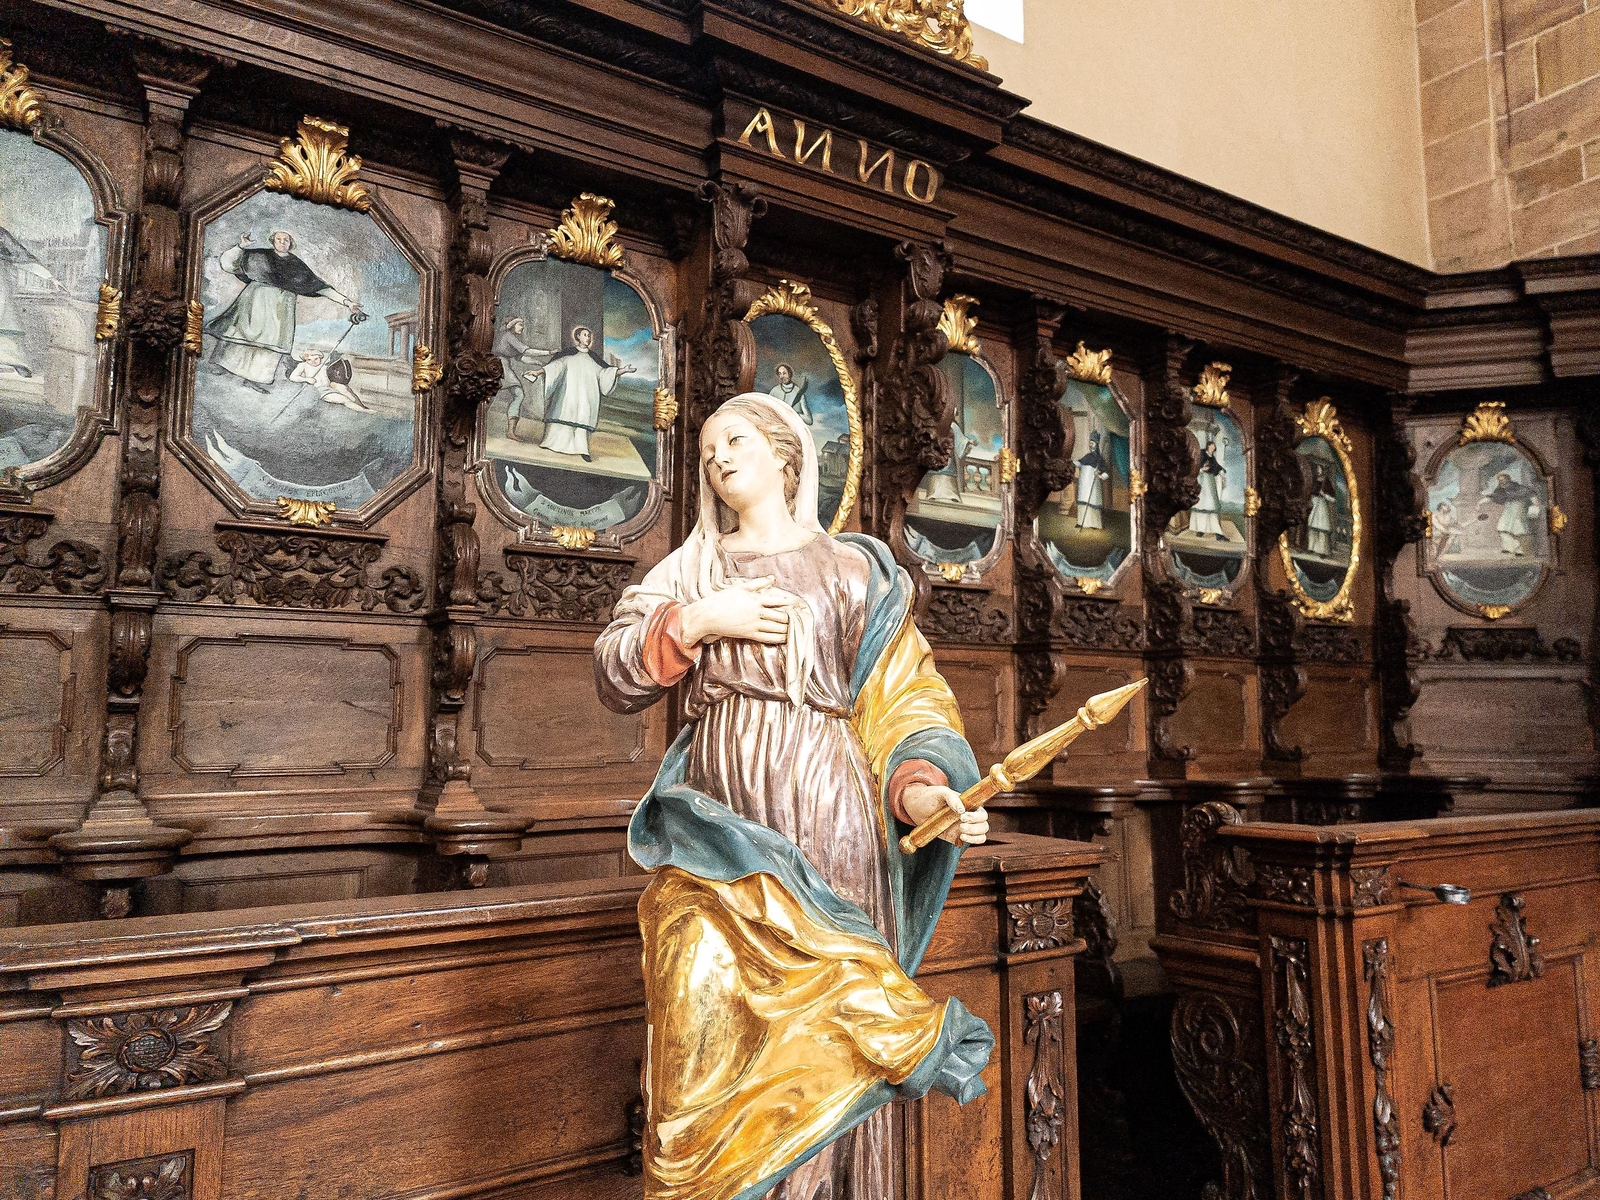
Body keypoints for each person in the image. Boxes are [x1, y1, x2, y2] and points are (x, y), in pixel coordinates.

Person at [594, 392, 993, 1200]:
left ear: (786, 456)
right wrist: (698, 622)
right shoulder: (692, 570)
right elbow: (615, 673)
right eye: (708, 449)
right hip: (717, 824)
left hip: (831, 814)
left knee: (835, 1032)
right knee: (700, 1012)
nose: (717, 458)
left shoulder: (853, 569)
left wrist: (922, 793)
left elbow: (908, 700)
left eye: (735, 441)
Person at [207, 231, 362, 394]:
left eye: (286, 240)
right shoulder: (258, 256)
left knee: (272, 343)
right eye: (279, 239)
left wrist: (348, 303)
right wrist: (241, 246)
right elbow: (228, 265)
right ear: (273, 241)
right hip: (254, 302)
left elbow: (320, 287)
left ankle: (255, 379)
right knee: (240, 332)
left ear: (291, 243)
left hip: (281, 310)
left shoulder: (297, 265)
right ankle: (222, 365)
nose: (282, 242)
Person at [529, 325, 633, 461]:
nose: (588, 338)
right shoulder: (568, 354)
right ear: (578, 336)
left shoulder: (593, 358)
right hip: (567, 395)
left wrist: (623, 370)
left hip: (586, 397)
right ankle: (550, 443)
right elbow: (553, 367)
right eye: (585, 335)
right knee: (562, 413)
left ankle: (583, 450)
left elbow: (606, 373)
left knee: (583, 418)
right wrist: (537, 372)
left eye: (589, 336)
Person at [0, 223, 58, 378]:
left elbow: (23, 257)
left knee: (5, 322)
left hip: (1, 287)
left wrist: (49, 277)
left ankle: (15, 361)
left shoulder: (1, 235)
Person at [494, 316, 545, 440]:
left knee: (518, 395)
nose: (522, 327)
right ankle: (510, 432)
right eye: (520, 324)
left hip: (503, 365)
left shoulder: (510, 338)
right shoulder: (508, 336)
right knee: (518, 394)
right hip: (500, 365)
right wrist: (549, 352)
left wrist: (538, 363)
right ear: (512, 325)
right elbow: (527, 351)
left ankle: (511, 431)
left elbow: (522, 357)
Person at [288, 348, 368, 412]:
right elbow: (293, 377)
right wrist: (306, 379)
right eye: (309, 360)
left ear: (320, 358)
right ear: (305, 359)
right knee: (344, 399)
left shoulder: (324, 366)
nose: (313, 362)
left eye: (316, 359)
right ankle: (364, 411)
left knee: (345, 389)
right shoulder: (303, 365)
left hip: (329, 387)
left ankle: (362, 406)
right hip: (319, 390)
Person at [1480, 470, 1535, 555]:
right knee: (1502, 528)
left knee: (1518, 529)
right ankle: (1508, 548)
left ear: (1508, 479)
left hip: (1518, 508)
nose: (1502, 482)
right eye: (1500, 480)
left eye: (1503, 479)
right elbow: (1493, 497)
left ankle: (1519, 550)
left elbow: (1530, 494)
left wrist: (1535, 504)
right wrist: (1480, 502)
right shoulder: (1500, 489)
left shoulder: (1518, 488)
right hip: (1508, 509)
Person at [1074, 430, 1112, 530]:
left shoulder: (1099, 459)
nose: (1090, 445)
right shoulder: (1087, 456)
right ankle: (1081, 522)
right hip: (1083, 484)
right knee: (1083, 501)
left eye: (1092, 443)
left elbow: (1106, 473)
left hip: (1093, 484)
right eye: (1090, 443)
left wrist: (1099, 476)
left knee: (1092, 501)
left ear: (1096, 444)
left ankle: (1095, 524)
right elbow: (1079, 463)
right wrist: (1071, 463)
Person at [1190, 439, 1227, 540]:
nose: (1213, 448)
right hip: (1202, 482)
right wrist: (1202, 469)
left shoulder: (1212, 458)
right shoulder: (1202, 454)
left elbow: (1217, 467)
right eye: (1212, 446)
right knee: (1201, 505)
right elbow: (1195, 466)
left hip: (1209, 482)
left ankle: (1217, 533)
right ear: (1208, 446)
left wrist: (1222, 472)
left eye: (1214, 447)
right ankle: (1200, 529)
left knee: (1211, 505)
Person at [1306, 463, 1336, 557]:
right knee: (1312, 528)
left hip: (1322, 506)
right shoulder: (1314, 480)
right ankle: (1311, 548)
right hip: (1314, 504)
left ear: (1323, 470)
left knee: (1322, 529)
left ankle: (1323, 551)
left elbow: (1333, 499)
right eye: (1317, 469)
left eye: (1319, 469)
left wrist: (1324, 495)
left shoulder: (1326, 482)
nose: (1318, 471)